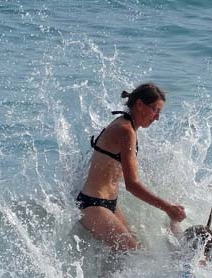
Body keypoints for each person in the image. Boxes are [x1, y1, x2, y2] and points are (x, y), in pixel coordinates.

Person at [76, 83, 186, 251]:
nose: (157, 117)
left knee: (132, 251)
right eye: (155, 110)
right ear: (140, 105)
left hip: (108, 204)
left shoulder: (128, 126)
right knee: (135, 253)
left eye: (159, 112)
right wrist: (167, 208)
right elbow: (132, 185)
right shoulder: (125, 130)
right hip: (92, 205)